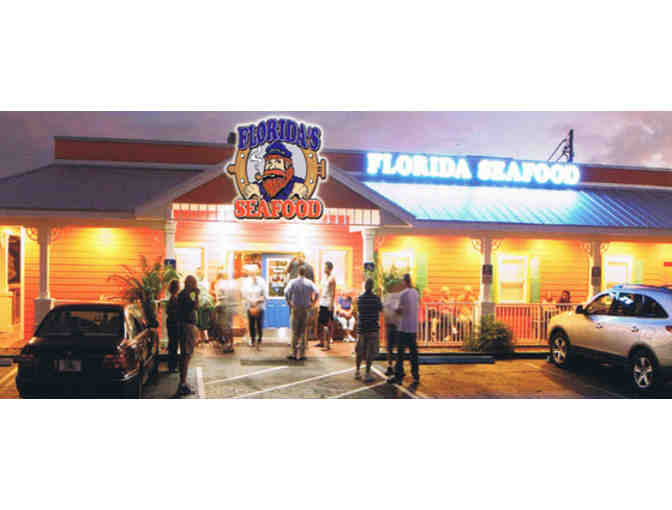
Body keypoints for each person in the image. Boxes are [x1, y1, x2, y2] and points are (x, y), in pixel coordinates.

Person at [390, 273, 420, 386]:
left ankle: (398, 376)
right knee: (413, 354)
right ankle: (416, 376)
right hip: (413, 328)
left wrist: (393, 308)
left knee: (400, 354)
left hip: (403, 327)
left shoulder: (403, 294)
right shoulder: (415, 293)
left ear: (404, 281)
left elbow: (399, 310)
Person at [284, 265, 319, 360]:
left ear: (298, 272)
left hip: (295, 308)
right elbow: (317, 292)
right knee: (304, 331)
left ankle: (294, 353)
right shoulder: (309, 283)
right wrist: (313, 302)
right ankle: (303, 354)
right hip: (305, 309)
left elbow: (286, 292)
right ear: (305, 273)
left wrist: (288, 302)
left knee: (294, 331)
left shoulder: (293, 282)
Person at [176, 275, 200, 396]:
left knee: (186, 355)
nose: (196, 286)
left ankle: (183, 383)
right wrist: (197, 295)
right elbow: (196, 306)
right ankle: (182, 384)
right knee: (186, 355)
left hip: (185, 326)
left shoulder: (183, 295)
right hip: (186, 327)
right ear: (190, 284)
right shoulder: (185, 295)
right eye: (194, 283)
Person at [355, 278, 383, 382]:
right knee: (370, 352)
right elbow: (381, 309)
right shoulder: (376, 299)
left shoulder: (360, 299)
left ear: (365, 286)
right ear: (372, 287)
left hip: (362, 328)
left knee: (359, 351)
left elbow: (359, 310)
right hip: (372, 328)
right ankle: (367, 372)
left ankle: (357, 371)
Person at [243, 265, 267, 350]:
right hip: (250, 306)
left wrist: (257, 301)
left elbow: (265, 295)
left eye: (254, 272)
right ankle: (252, 339)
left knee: (259, 324)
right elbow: (244, 294)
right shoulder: (246, 282)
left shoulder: (262, 282)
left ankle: (259, 340)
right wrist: (251, 301)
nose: (253, 275)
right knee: (251, 324)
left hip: (260, 307)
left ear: (257, 272)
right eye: (251, 273)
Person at [383, 280, 404, 376]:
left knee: (397, 347)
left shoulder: (400, 297)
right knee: (390, 347)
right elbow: (384, 309)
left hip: (397, 325)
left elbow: (401, 309)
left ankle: (398, 367)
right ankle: (390, 366)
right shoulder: (387, 297)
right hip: (390, 324)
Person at [213, 270, 237, 353]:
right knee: (229, 326)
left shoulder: (219, 284)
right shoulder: (230, 284)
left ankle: (228, 344)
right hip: (230, 307)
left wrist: (217, 306)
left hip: (223, 308)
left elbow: (220, 298)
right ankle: (230, 344)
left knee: (224, 327)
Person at [317, 261, 336, 350]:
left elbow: (333, 293)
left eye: (325, 267)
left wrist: (331, 305)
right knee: (320, 323)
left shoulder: (332, 279)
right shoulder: (324, 278)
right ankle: (321, 342)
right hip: (322, 302)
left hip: (328, 303)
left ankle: (327, 344)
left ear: (329, 269)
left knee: (327, 325)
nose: (324, 269)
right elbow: (321, 291)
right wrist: (318, 303)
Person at [166, 279, 181, 373]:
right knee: (173, 345)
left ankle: (172, 365)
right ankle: (172, 366)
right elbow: (173, 312)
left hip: (171, 322)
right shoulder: (174, 299)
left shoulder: (172, 298)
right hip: (174, 323)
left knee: (172, 344)